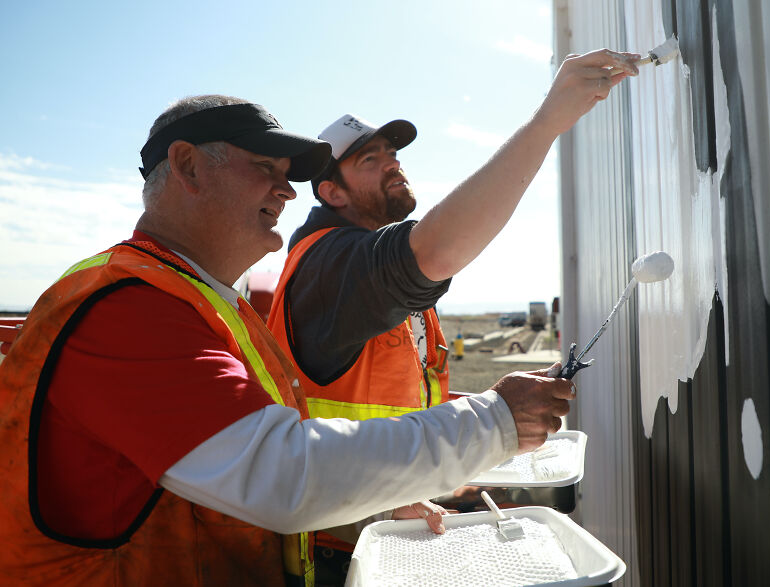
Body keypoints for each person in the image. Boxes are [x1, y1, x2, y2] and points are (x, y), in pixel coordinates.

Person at [0, 94, 576, 586]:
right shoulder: (129, 308)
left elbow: (249, 461)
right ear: (188, 166)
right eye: (266, 168)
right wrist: (493, 423)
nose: (288, 192)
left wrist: (378, 491)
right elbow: (280, 473)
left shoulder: (204, 299)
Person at [265, 49, 639, 576]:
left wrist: (493, 406)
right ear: (331, 192)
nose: (393, 162)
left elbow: (403, 401)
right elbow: (434, 251)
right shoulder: (330, 265)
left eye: (392, 152)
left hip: (388, 519)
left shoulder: (360, 272)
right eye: (368, 160)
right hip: (342, 550)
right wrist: (547, 122)